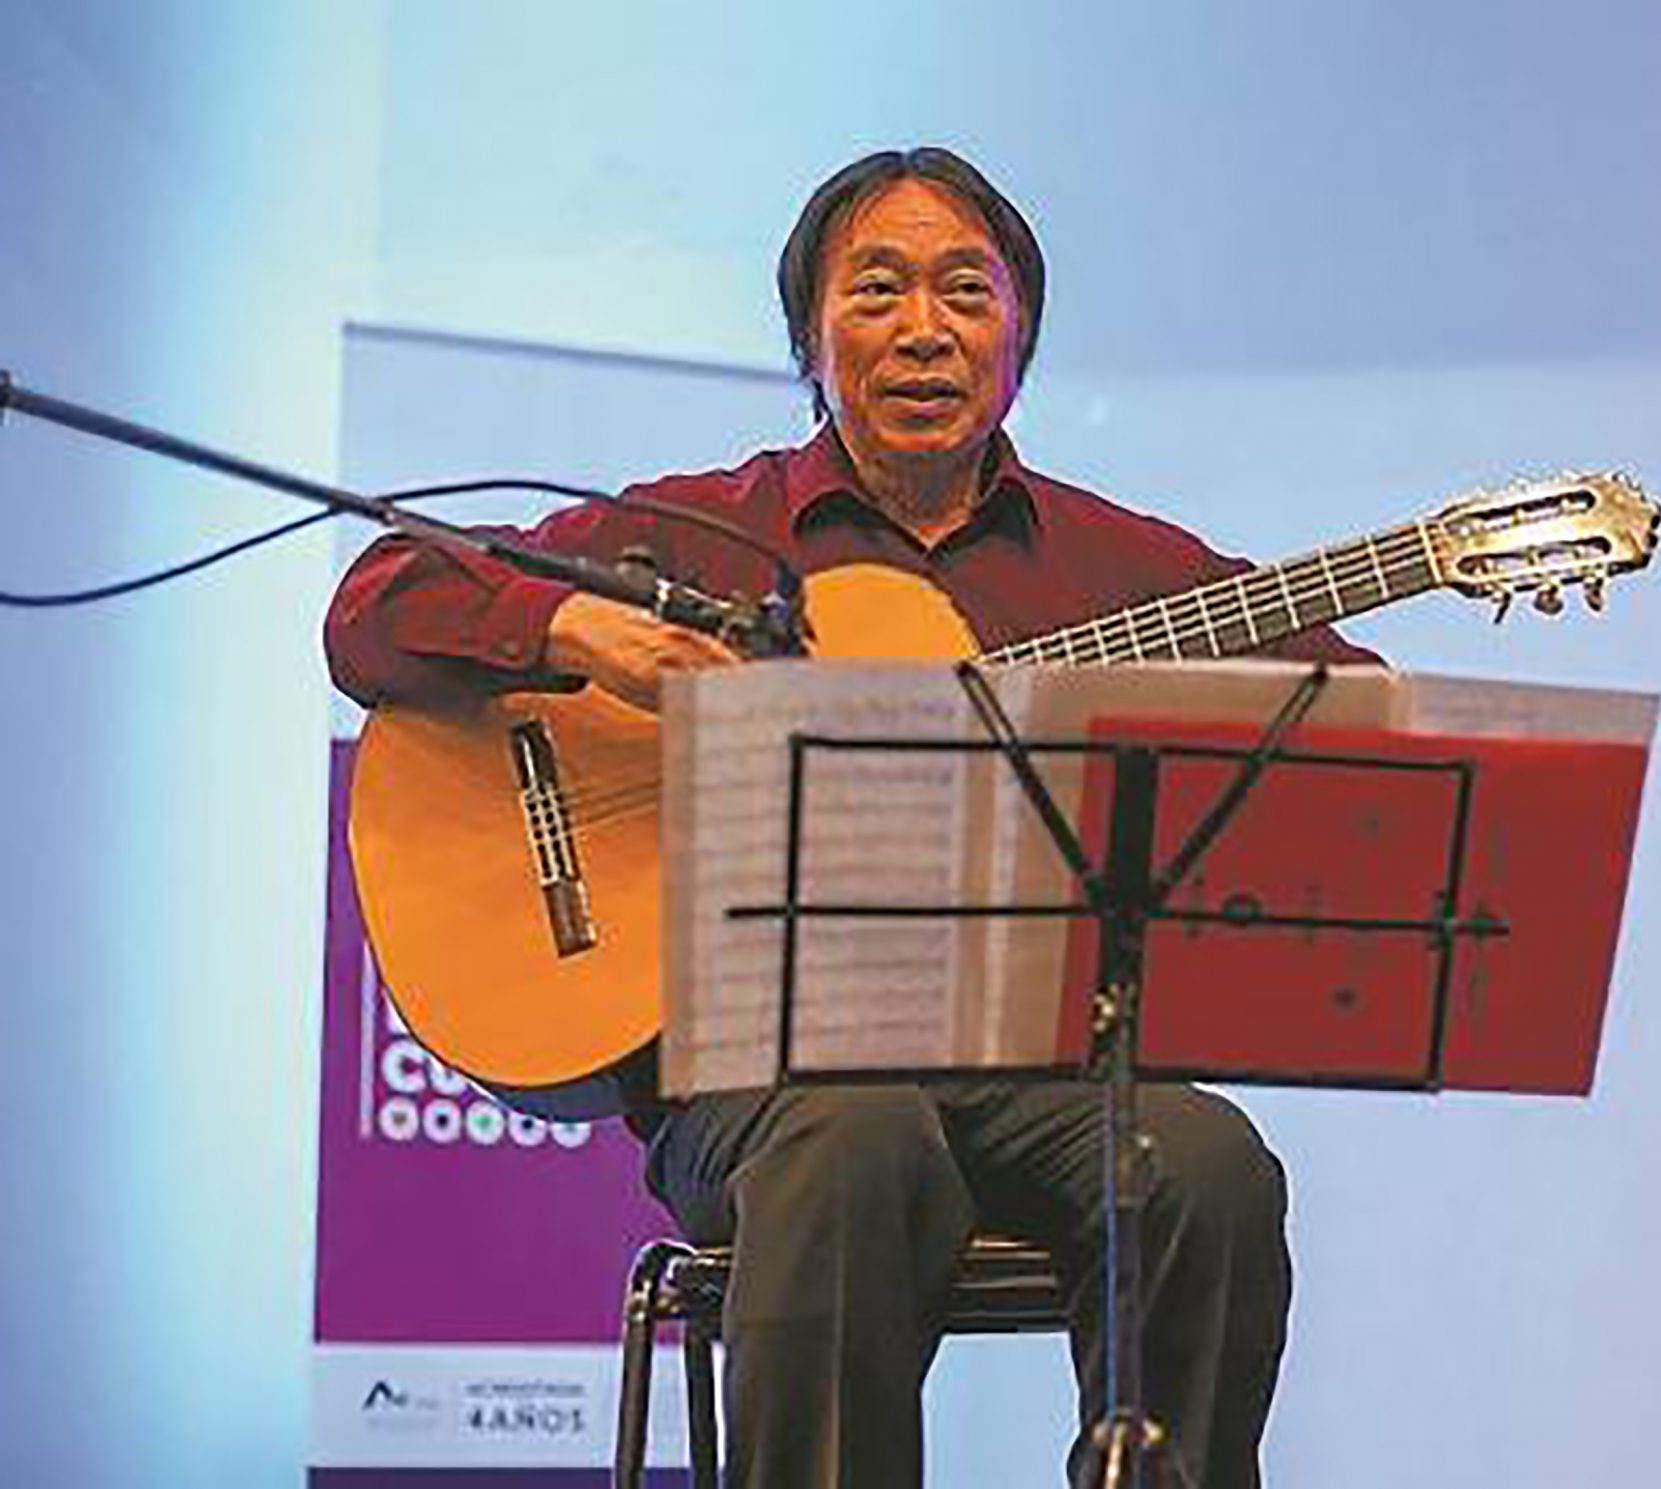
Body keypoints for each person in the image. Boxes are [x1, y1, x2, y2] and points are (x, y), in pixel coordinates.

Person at [327, 146, 1378, 1489]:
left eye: (966, 290)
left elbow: (1346, 708)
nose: (925, 328)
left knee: (1207, 1161)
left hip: (1020, 1068)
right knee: (856, 1129)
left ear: (1020, 340)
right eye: (877, 287)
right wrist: (579, 625)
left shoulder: (1114, 566)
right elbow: (375, 602)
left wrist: (1368, 689)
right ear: (811, 342)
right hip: (758, 1085)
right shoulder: (705, 533)